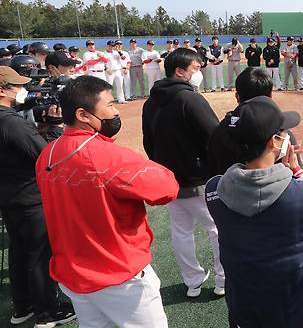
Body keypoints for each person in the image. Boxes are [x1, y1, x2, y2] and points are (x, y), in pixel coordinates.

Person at [36, 75, 179, 328]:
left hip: (74, 273)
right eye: (110, 105)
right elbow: (166, 188)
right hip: (119, 275)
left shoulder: (48, 153)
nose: (115, 111)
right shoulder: (107, 155)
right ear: (83, 114)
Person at [205, 96, 303, 328]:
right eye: (283, 131)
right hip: (297, 308)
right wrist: (296, 170)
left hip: (246, 307)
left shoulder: (214, 190)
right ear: (274, 141)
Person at [142, 48, 226, 298]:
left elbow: (149, 141)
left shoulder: (152, 100)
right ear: (180, 71)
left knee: (182, 231)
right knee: (217, 228)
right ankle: (223, 279)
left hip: (169, 180)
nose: (198, 74)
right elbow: (215, 136)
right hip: (197, 178)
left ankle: (193, 282)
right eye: (196, 69)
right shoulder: (190, 99)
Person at [0, 66, 76, 328]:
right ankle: (47, 312)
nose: (21, 90)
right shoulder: (9, 120)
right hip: (29, 197)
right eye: (15, 86)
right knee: (39, 256)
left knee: (20, 253)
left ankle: (23, 307)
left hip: (10, 196)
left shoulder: (8, 119)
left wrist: (40, 128)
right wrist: (54, 129)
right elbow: (46, 158)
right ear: (2, 90)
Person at [207, 67, 303, 176]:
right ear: (270, 96)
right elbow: (297, 177)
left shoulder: (218, 132)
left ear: (237, 97)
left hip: (228, 190)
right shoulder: (282, 135)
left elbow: (213, 173)